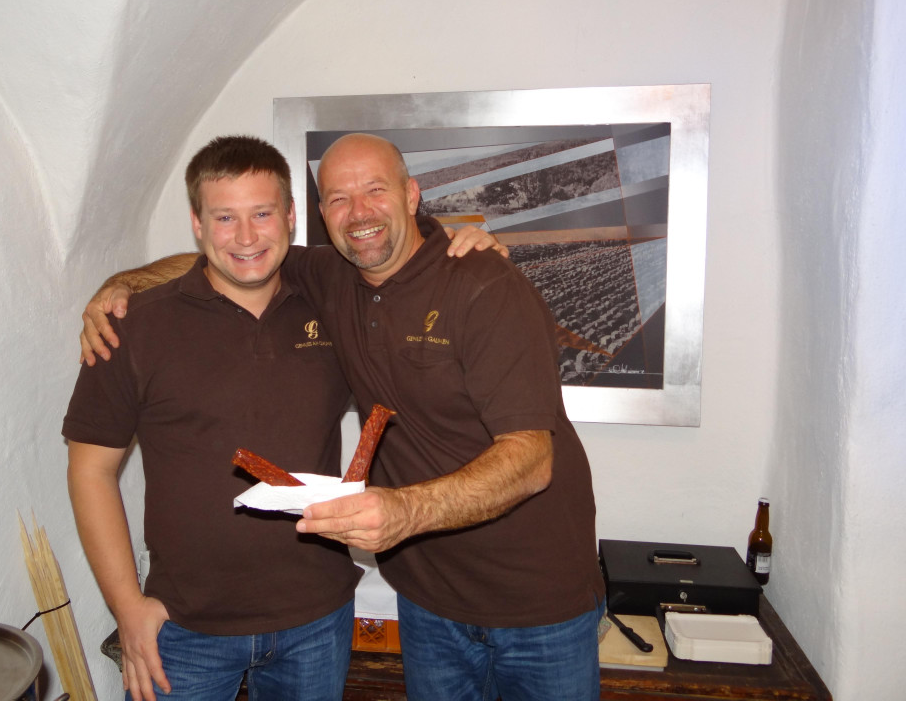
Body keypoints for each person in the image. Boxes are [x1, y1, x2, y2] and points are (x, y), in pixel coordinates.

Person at [81, 134, 604, 700]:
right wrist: (119, 286)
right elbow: (232, 256)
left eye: (375, 190)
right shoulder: (328, 278)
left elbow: (532, 459)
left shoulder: (483, 282)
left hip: (536, 599)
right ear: (318, 214)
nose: (359, 213)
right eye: (338, 198)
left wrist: (404, 511)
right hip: (427, 597)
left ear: (411, 195)